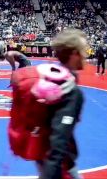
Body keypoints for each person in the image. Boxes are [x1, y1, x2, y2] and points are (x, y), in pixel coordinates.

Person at [37, 29, 88, 179]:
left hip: (42, 154)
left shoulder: (52, 75)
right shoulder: (71, 90)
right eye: (82, 51)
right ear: (73, 53)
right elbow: (59, 138)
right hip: (59, 164)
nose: (86, 55)